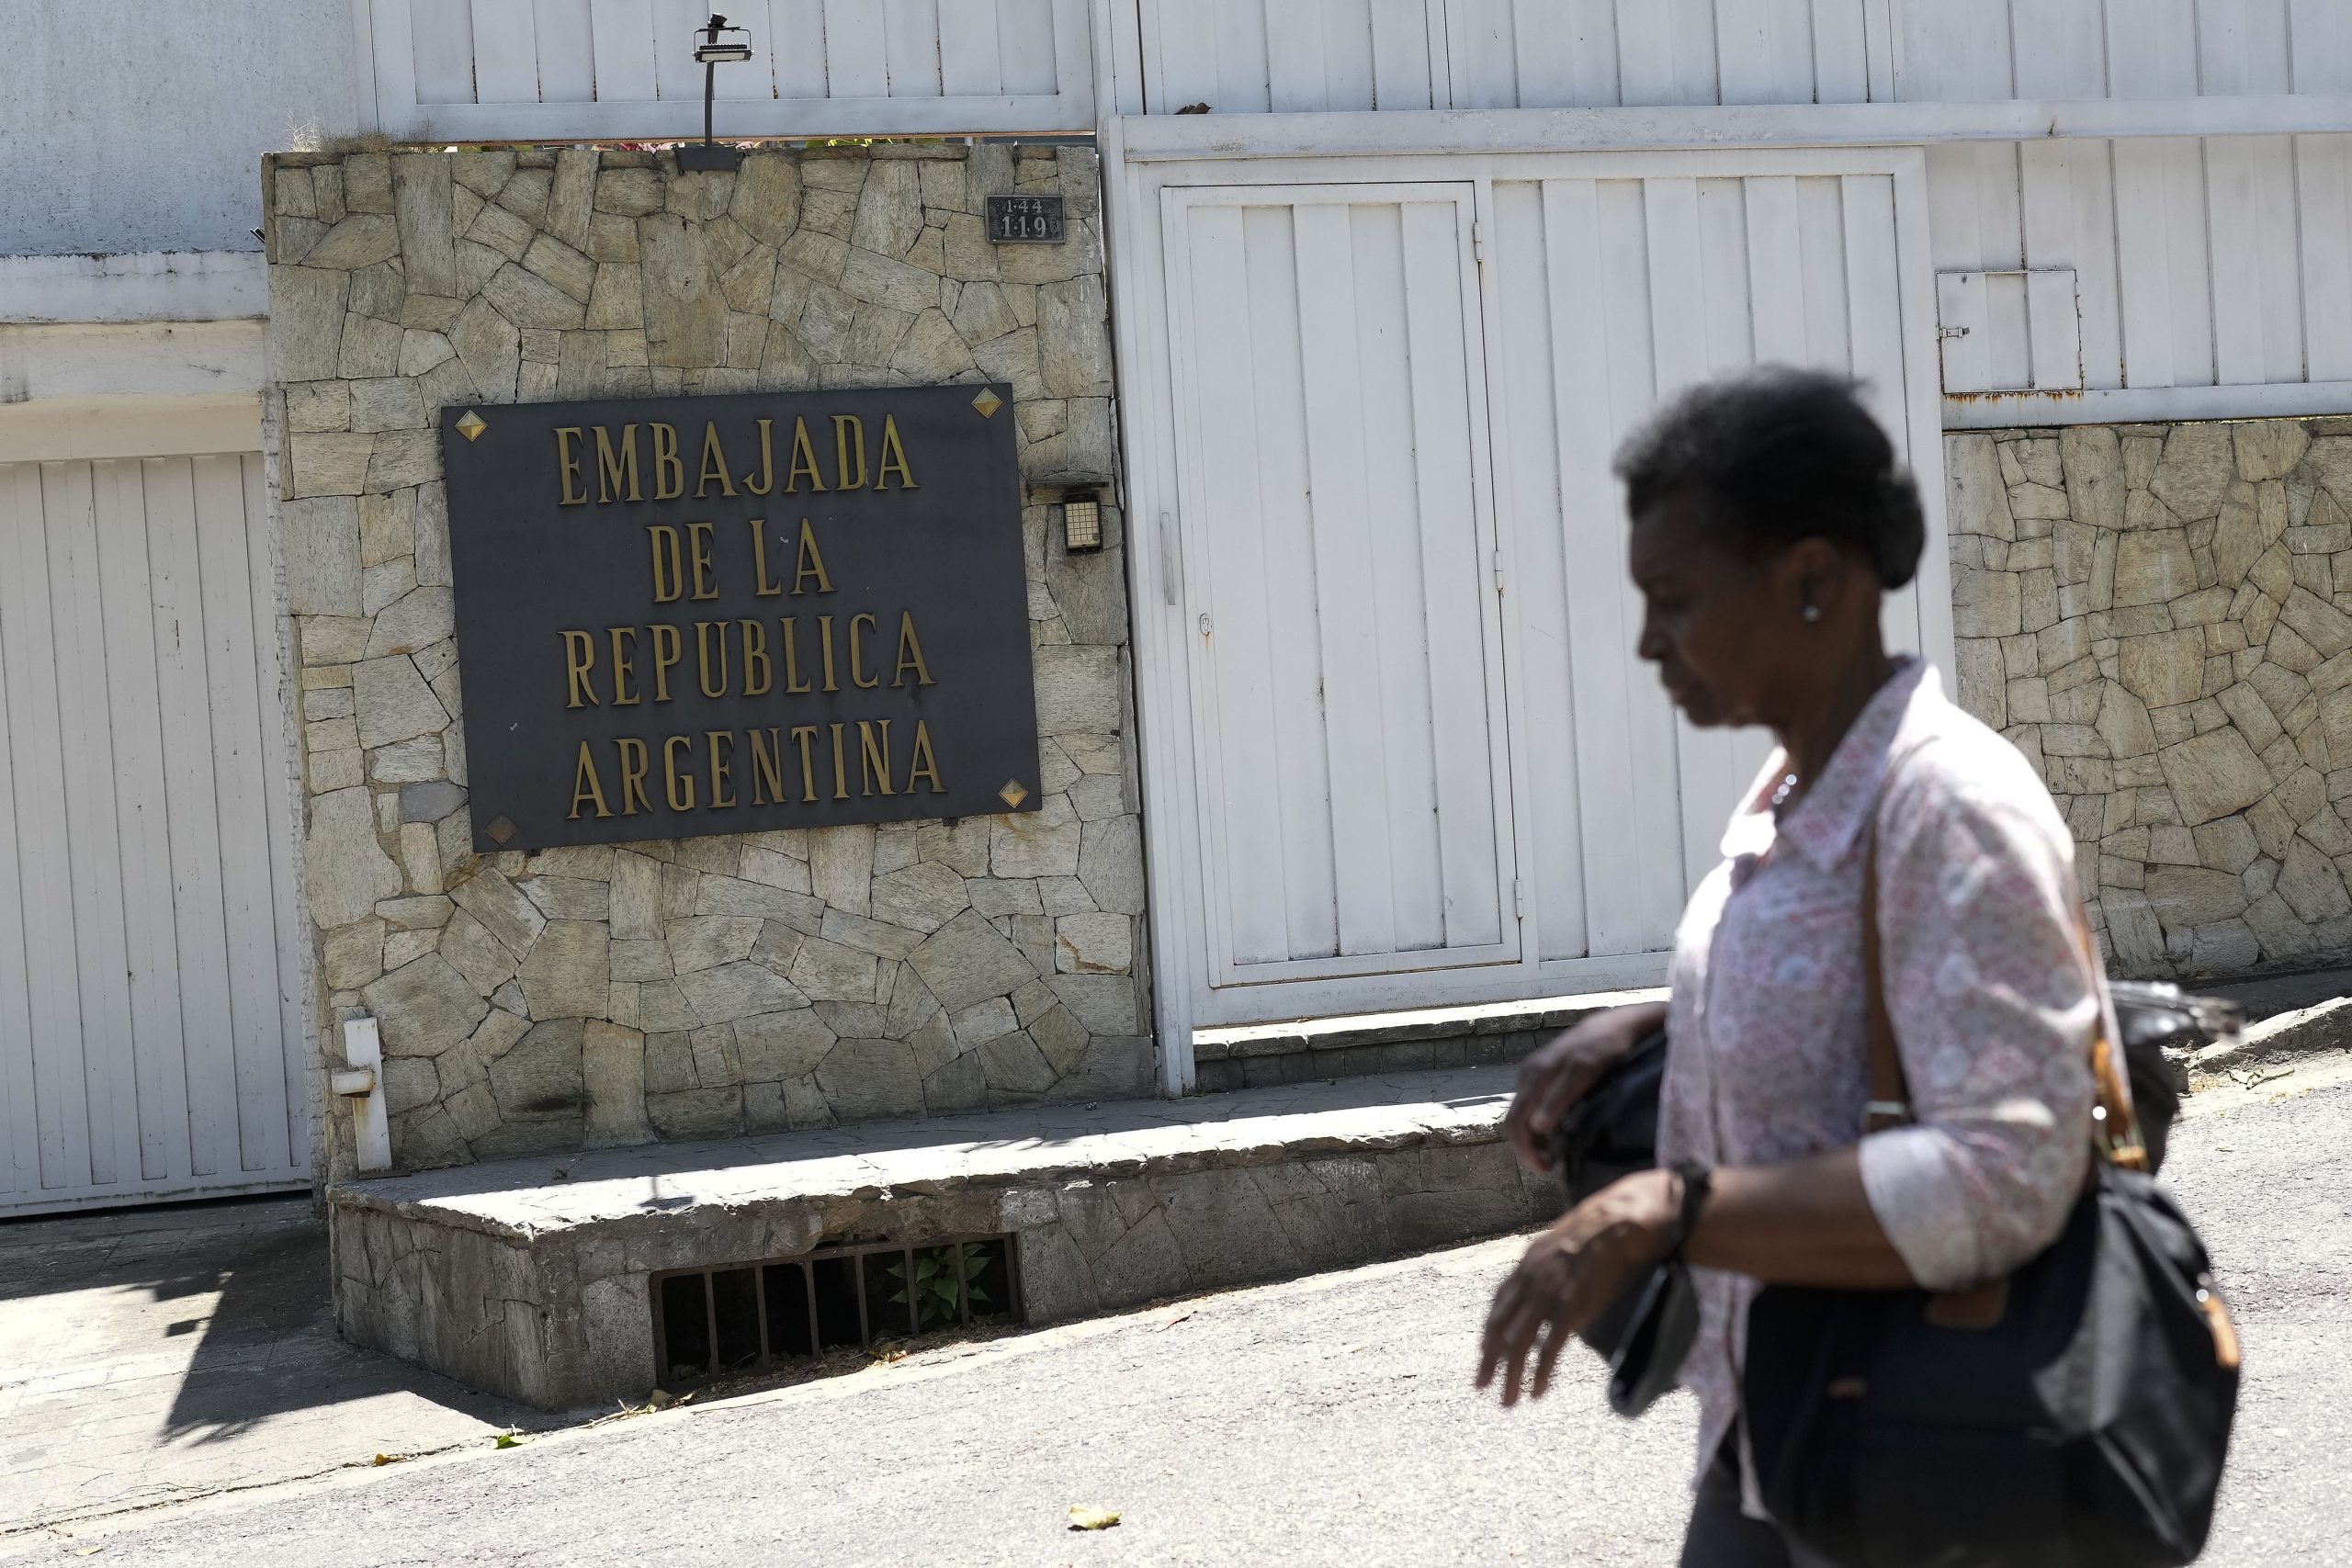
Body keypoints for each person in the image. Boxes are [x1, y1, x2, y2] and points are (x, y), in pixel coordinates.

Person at [1473, 368, 2107, 1566]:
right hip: (1780, 1425)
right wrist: (1663, 1026)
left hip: (1928, 1456)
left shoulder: (1948, 806)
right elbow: (1857, 997)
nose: (1648, 641)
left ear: (1813, 578)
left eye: (1673, 598)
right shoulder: (1794, 792)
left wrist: (1668, 1208)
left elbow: (2010, 1168)